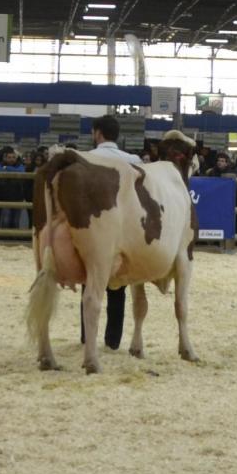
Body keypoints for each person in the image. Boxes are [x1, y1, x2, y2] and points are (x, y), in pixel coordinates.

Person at [78, 115, 141, 350]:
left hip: (93, 230)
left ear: (97, 133)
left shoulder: (86, 159)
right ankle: (113, 340)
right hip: (123, 229)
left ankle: (87, 337)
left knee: (90, 284)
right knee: (119, 286)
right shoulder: (133, 160)